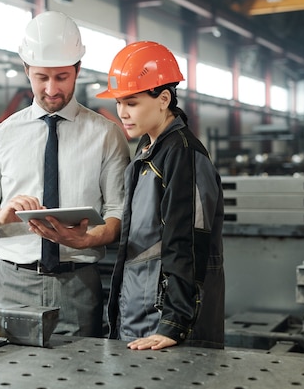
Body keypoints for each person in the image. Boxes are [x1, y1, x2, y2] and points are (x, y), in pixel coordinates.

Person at [0, 11, 130, 337]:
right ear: (26, 70)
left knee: (80, 378)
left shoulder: (106, 134)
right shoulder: (3, 134)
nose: (51, 89)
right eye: (41, 77)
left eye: (62, 77)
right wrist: (0, 216)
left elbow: (119, 213)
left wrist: (88, 238)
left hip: (78, 283)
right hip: (12, 284)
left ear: (78, 69)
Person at [96, 41, 225, 350]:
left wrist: (175, 323)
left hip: (167, 319)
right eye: (119, 103)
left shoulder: (182, 154)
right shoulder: (149, 151)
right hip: (142, 309)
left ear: (163, 99)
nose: (122, 113)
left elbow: (188, 240)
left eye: (132, 103)